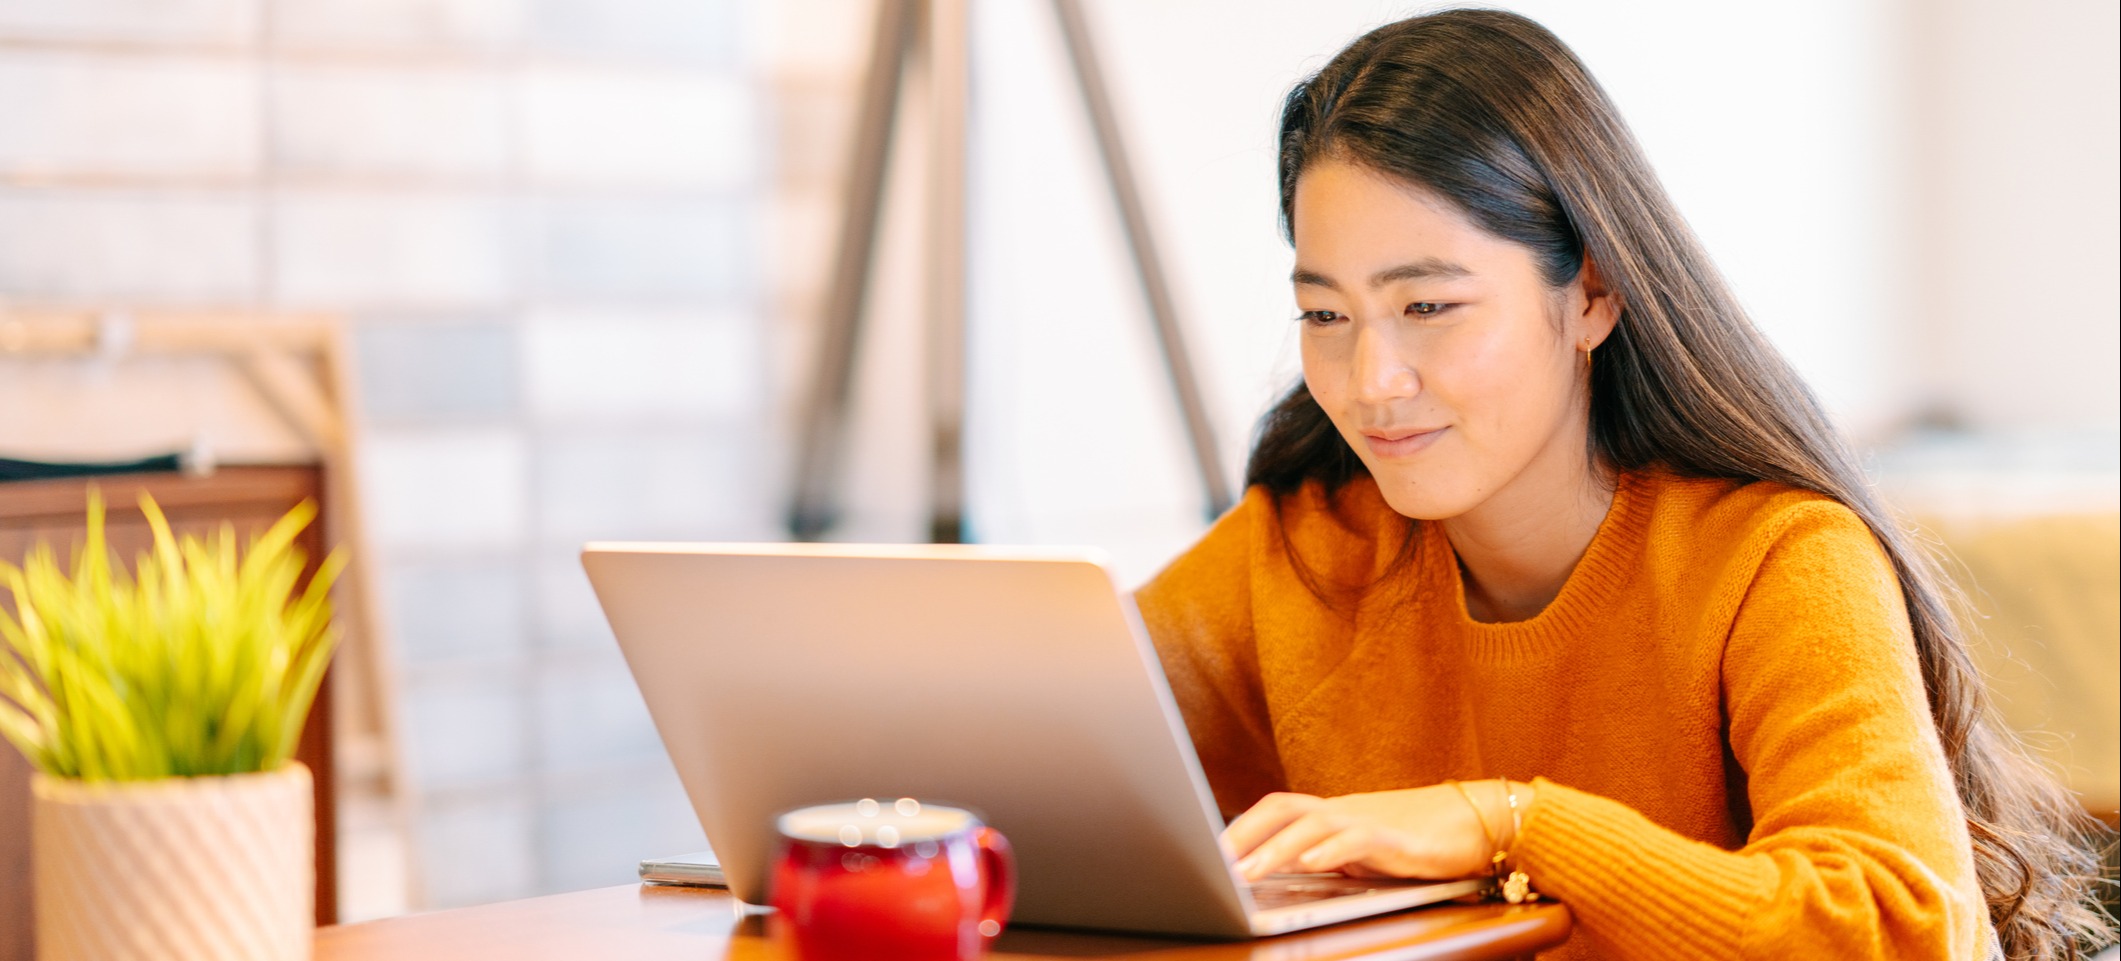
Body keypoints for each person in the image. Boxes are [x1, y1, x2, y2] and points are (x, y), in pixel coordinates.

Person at [1133, 10, 2113, 961]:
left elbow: (1900, 931)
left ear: (1594, 291)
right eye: (1324, 314)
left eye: (1428, 304)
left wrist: (1512, 821)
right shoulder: (1303, 550)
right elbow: (1041, 753)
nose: (1371, 380)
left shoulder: (1777, 557)